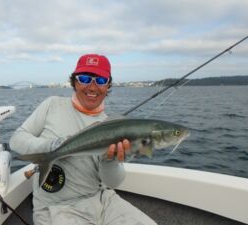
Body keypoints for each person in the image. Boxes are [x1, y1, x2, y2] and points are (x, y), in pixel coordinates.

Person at [10, 54, 157, 225]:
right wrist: (52, 145)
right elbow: (16, 139)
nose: (92, 87)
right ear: (74, 82)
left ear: (108, 85)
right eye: (85, 78)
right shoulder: (52, 105)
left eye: (101, 80)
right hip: (58, 207)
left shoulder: (113, 125)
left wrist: (110, 161)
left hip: (103, 199)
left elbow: (112, 183)